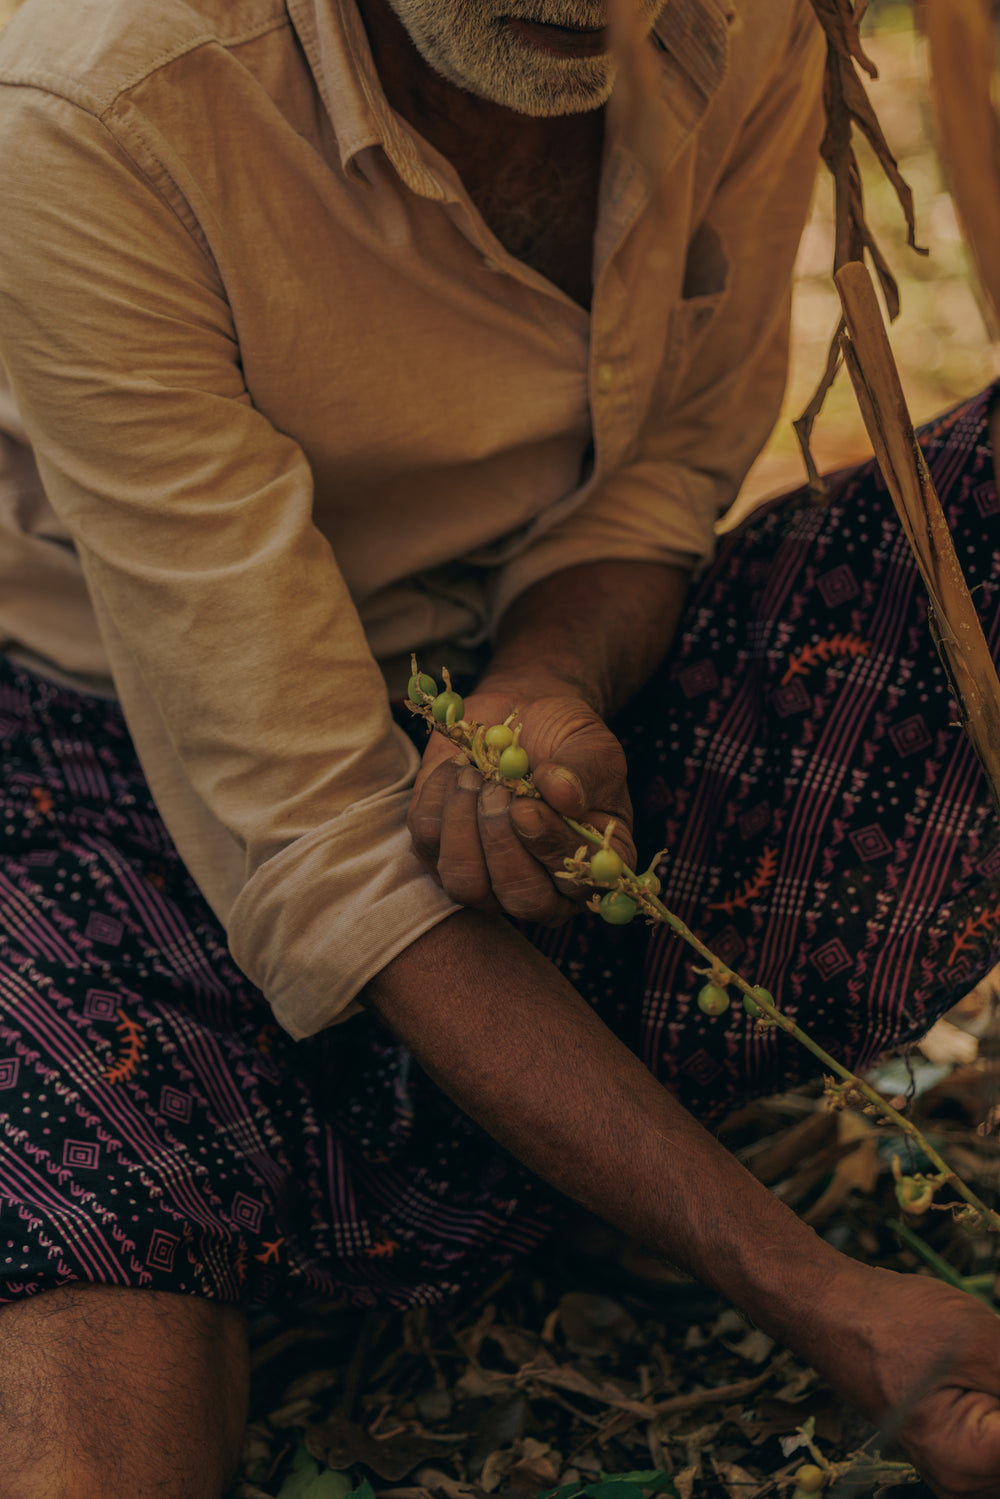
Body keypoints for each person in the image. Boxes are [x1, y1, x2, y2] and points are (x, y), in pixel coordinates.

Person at [1, 0, 1000, 1494]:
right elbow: (318, 835)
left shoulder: (747, 20)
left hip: (504, 672)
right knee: (96, 1369)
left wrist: (546, 677)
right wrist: (823, 1298)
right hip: (103, 753)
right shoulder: (96, 118)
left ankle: (490, 1155)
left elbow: (656, 480)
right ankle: (300, 1182)